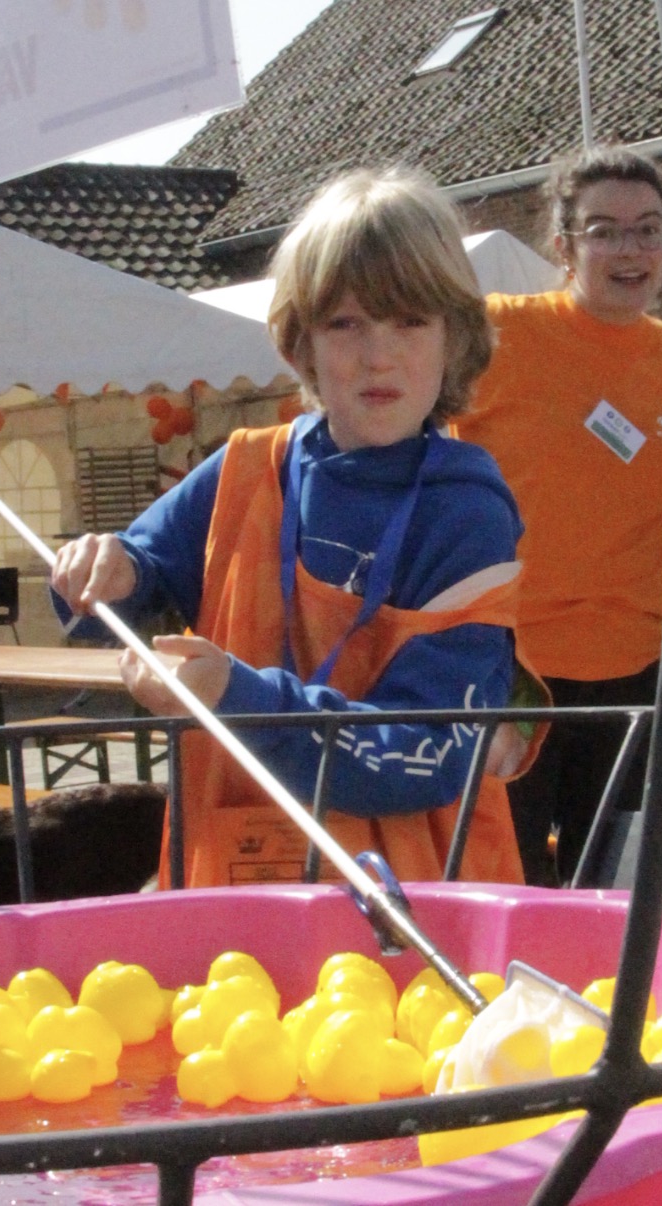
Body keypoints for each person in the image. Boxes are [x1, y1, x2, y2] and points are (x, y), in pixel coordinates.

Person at [48, 167, 528, 889]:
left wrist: (236, 695)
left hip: (413, 908)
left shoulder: (467, 513)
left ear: (455, 338)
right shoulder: (244, 467)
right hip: (236, 896)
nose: (378, 354)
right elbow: (129, 585)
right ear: (299, 342)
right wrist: (107, 569)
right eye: (345, 322)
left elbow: (425, 757)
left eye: (410, 320)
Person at [453, 144, 662, 887]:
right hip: (513, 671)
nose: (632, 250)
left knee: (615, 885)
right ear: (563, 245)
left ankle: (609, 1005)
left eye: (649, 229)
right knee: (508, 883)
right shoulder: (494, 335)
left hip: (638, 675)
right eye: (605, 231)